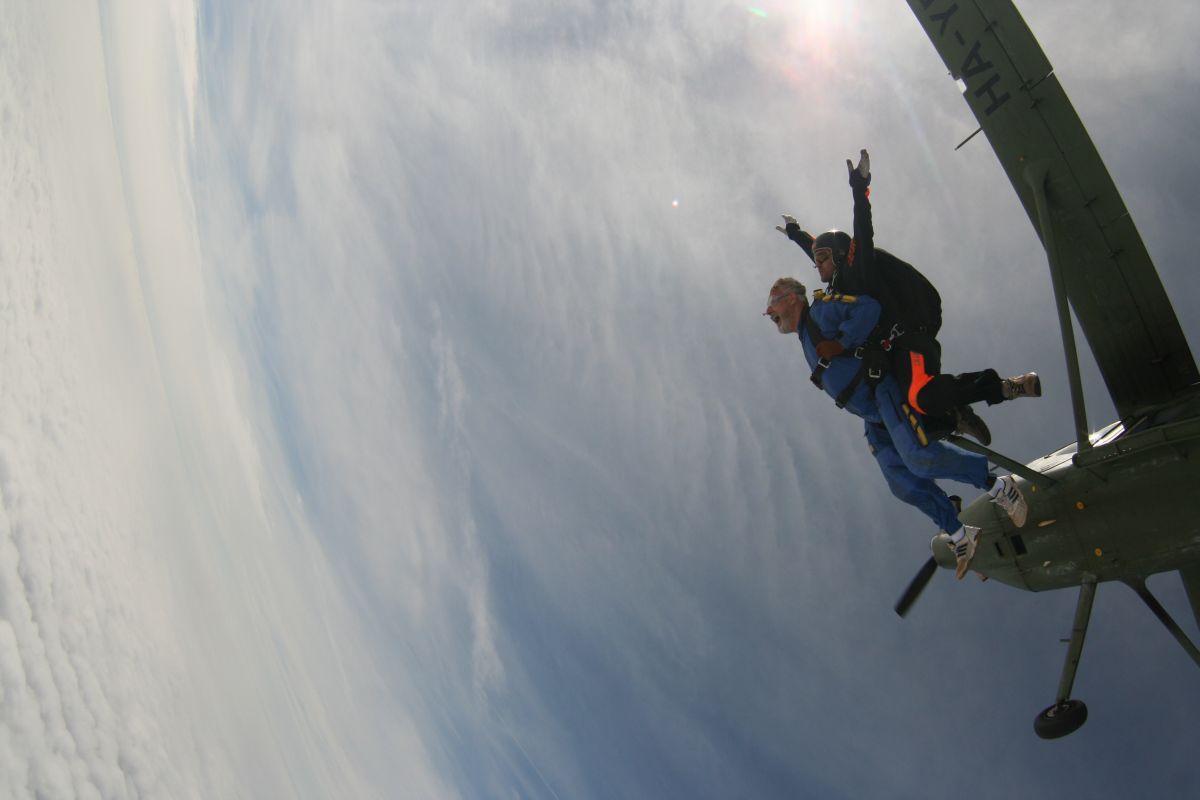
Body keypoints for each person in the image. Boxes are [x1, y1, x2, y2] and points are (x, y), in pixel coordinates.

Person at [763, 276, 1027, 578]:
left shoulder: (821, 311)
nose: (769, 312)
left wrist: (841, 343)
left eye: (772, 302)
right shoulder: (805, 340)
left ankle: (999, 486)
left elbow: (868, 308)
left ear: (791, 298)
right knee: (901, 483)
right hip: (873, 417)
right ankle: (959, 534)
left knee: (920, 458)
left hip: (883, 391)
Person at [775, 149, 1042, 446]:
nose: (817, 265)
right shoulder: (841, 283)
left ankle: (1002, 387)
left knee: (919, 396)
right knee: (905, 414)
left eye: (823, 258)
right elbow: (815, 247)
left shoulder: (857, 269)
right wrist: (795, 233)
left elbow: (862, 231)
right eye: (816, 261)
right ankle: (954, 415)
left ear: (839, 254)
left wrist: (860, 188)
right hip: (896, 350)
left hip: (910, 336)